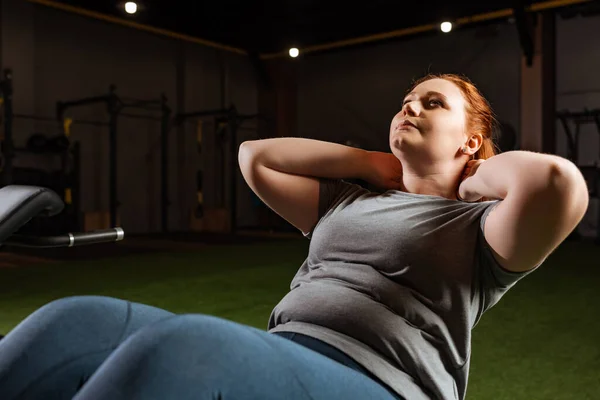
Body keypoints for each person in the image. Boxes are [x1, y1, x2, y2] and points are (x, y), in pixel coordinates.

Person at [0, 74, 589, 400]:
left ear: (469, 140)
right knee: (71, 323)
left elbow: (559, 183)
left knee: (184, 349)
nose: (410, 108)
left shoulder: (481, 229)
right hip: (288, 351)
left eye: (432, 104)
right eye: (406, 102)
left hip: (382, 383)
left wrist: (474, 176)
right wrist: (365, 161)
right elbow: (255, 157)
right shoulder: (352, 197)